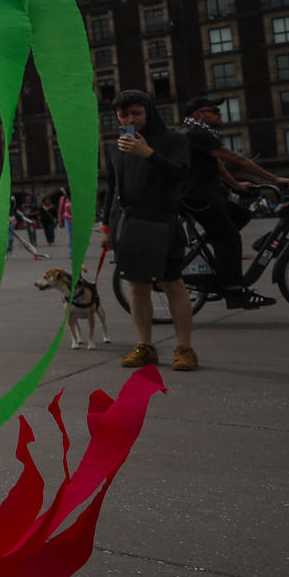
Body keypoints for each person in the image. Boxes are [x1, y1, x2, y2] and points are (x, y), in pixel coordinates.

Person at [107, 89, 198, 371]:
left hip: (163, 221)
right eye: (124, 114)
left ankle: (185, 349)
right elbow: (114, 190)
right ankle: (145, 346)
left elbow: (181, 174)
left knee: (174, 284)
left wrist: (149, 154)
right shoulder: (117, 147)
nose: (130, 118)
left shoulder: (174, 140)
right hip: (132, 223)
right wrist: (107, 228)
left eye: (136, 112)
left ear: (148, 111)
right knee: (138, 287)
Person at [179, 96, 289, 309]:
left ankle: (216, 256)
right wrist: (275, 180)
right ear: (198, 115)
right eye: (214, 110)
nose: (220, 113)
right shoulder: (195, 134)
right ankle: (234, 292)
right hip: (199, 198)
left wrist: (236, 185)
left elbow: (217, 162)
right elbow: (237, 159)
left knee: (241, 215)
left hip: (206, 195)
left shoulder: (197, 133)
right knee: (229, 238)